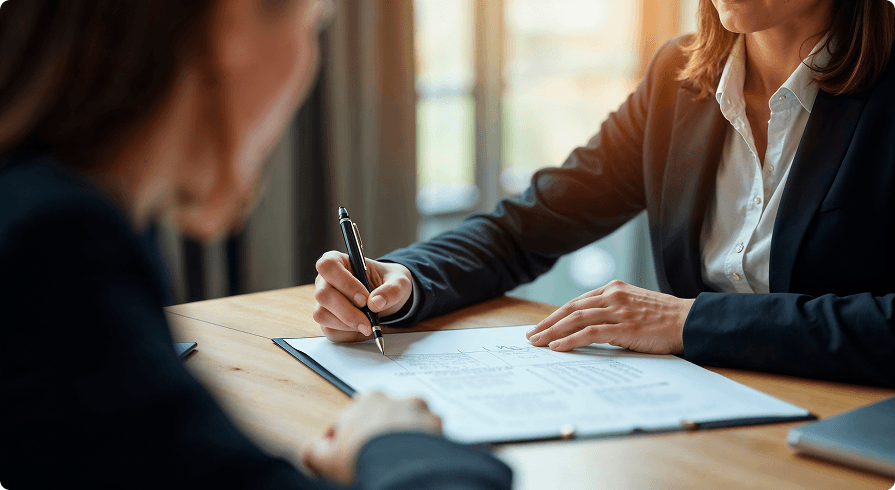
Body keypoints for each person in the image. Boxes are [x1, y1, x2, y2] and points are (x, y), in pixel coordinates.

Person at [0, 1, 512, 489]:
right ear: (233, 22)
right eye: (313, 23)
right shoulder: (56, 245)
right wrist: (401, 445)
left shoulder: (43, 207)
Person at [314, 0, 895, 388]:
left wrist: (692, 321)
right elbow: (530, 226)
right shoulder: (678, 80)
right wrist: (404, 278)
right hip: (703, 423)